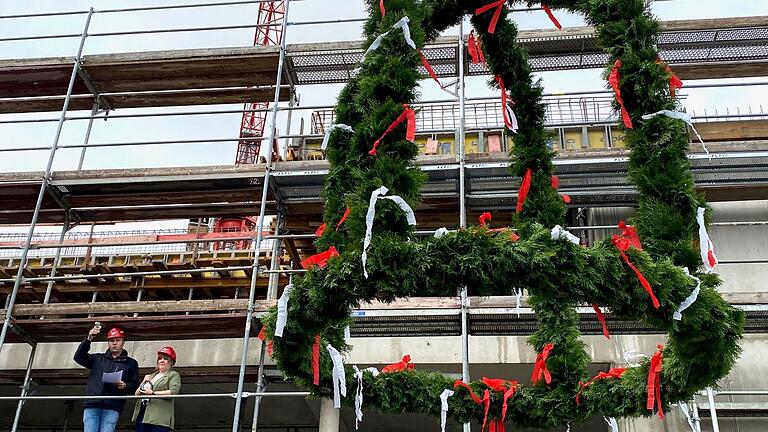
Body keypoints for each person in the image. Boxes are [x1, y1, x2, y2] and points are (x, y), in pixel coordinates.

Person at [74, 325, 140, 432]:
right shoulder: (97, 359)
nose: (114, 343)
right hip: (92, 404)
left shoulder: (131, 363)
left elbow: (135, 386)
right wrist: (88, 339)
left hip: (112, 406)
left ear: (123, 342)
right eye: (111, 340)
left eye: (117, 340)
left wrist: (125, 386)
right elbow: (78, 357)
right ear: (108, 343)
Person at [132, 346, 182, 431]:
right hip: (143, 412)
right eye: (160, 358)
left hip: (159, 416)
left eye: (165, 359)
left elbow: (173, 392)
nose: (161, 360)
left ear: (171, 362)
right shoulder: (152, 375)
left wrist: (153, 393)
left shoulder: (173, 375)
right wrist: (143, 382)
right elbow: (136, 394)